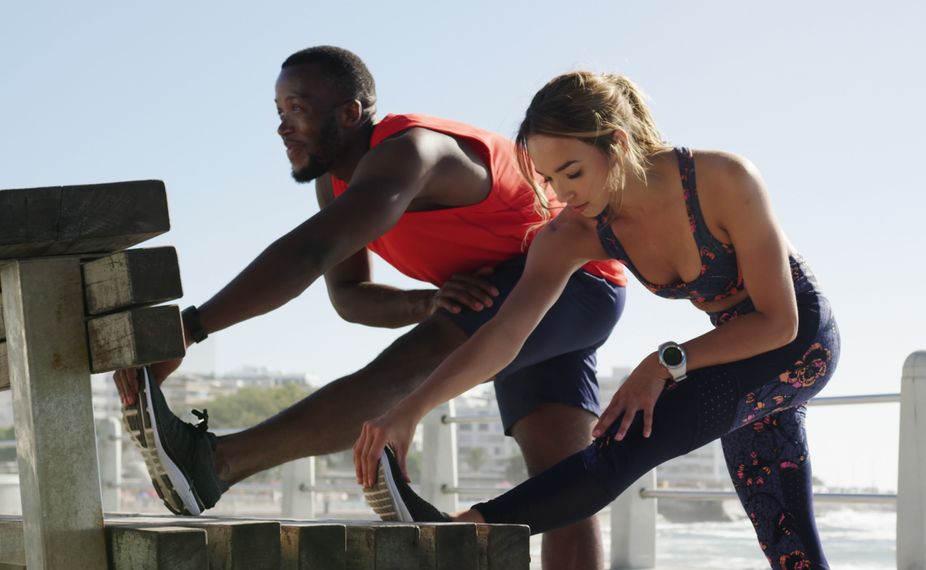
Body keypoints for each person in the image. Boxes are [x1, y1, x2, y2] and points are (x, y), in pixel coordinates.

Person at [115, 46, 625, 570]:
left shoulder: (413, 152)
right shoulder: (332, 183)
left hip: (579, 280)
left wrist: (190, 328)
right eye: (278, 112)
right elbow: (350, 297)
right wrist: (428, 301)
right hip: (518, 295)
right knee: (561, 484)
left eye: (297, 109)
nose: (283, 128)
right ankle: (214, 465)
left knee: (425, 352)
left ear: (350, 114)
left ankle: (217, 464)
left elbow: (310, 253)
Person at [356, 70, 840, 569]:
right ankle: (456, 532)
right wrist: (411, 408)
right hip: (728, 353)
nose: (562, 194)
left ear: (617, 142)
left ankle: (458, 533)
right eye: (548, 180)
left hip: (797, 342)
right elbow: (503, 334)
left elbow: (778, 322)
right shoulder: (574, 232)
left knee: (626, 442)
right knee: (791, 550)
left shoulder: (721, 179)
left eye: (572, 172)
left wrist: (662, 364)